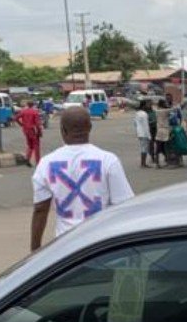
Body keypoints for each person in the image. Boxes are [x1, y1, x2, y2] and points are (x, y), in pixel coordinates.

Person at [29, 105, 134, 250]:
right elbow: (123, 207)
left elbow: (40, 209)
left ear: (63, 130)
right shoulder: (108, 160)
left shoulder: (46, 162)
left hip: (65, 247)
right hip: (101, 246)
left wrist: (35, 251)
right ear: (90, 127)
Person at [16, 99, 44, 165]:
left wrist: (21, 124)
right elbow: (37, 124)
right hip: (33, 130)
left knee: (30, 146)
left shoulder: (23, 111)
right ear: (33, 105)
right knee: (36, 146)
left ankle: (27, 159)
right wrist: (40, 132)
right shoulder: (35, 112)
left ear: (27, 105)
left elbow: (16, 118)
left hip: (26, 130)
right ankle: (38, 161)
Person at [166, 103, 187, 168]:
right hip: (177, 129)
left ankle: (175, 162)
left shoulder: (171, 115)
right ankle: (179, 161)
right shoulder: (175, 114)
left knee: (174, 147)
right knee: (178, 146)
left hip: (173, 130)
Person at [153, 100, 171, 166]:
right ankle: (168, 161)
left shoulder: (157, 111)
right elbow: (173, 109)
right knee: (166, 147)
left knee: (158, 147)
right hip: (165, 130)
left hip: (159, 130)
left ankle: (157, 162)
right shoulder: (165, 111)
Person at [134, 102, 152, 168]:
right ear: (143, 106)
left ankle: (143, 163)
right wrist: (149, 135)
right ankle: (143, 163)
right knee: (144, 149)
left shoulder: (137, 113)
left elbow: (135, 123)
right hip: (144, 133)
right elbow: (146, 125)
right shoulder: (144, 114)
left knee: (143, 148)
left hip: (139, 133)